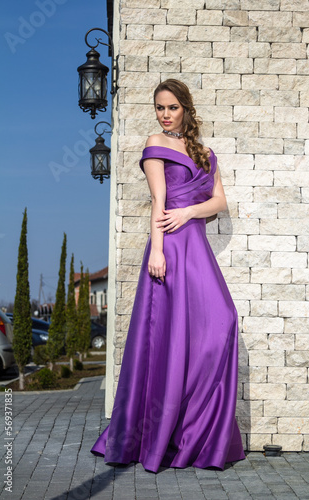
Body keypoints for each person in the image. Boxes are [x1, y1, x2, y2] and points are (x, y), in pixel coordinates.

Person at [91, 79, 245, 473]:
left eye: (172, 107)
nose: (165, 114)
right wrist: (156, 250)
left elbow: (220, 200)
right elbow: (158, 202)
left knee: (222, 321)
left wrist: (190, 212)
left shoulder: (204, 153)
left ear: (186, 110)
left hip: (195, 243)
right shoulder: (154, 144)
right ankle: (159, 435)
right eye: (160, 107)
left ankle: (196, 431)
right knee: (170, 337)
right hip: (170, 249)